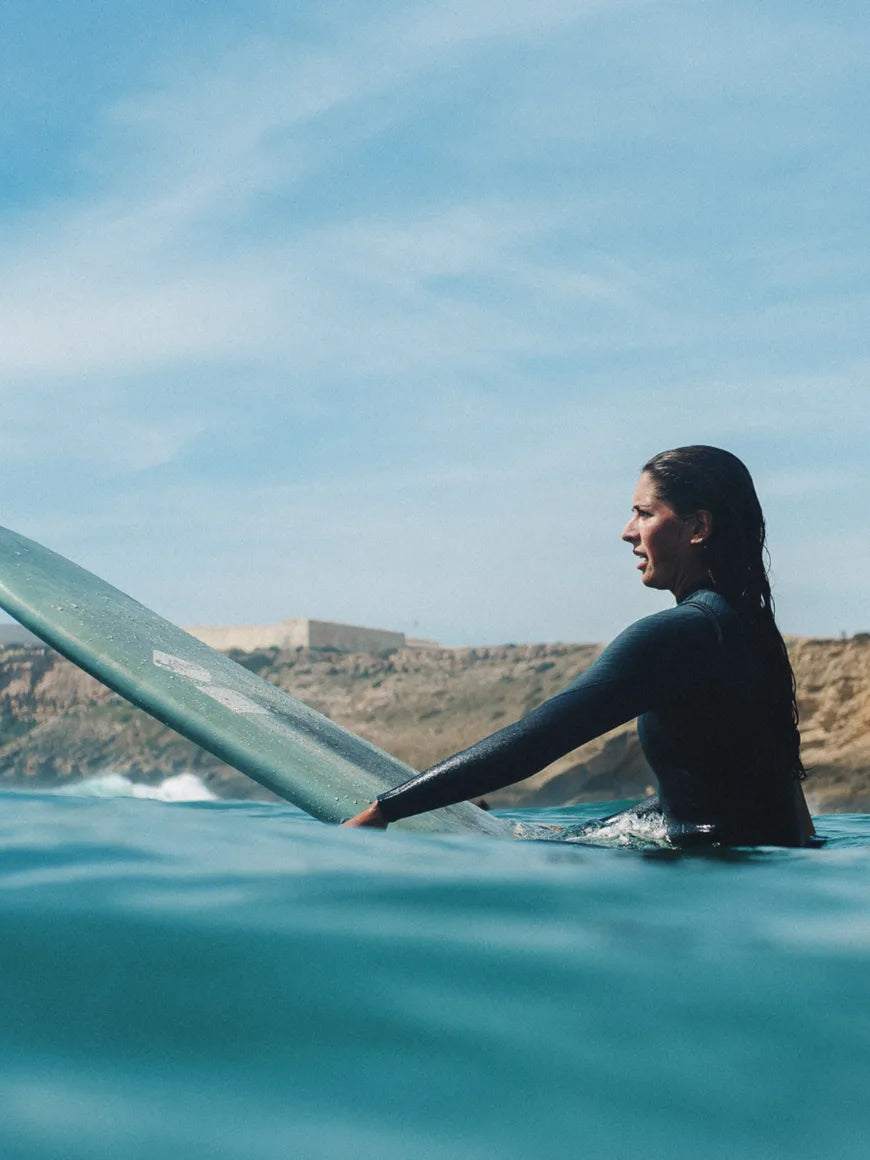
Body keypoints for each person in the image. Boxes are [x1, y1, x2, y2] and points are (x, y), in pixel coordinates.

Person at [344, 446, 815, 847]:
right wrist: (584, 832)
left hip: (706, 883)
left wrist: (385, 810)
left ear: (698, 528)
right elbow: (725, 794)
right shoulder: (747, 630)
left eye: (644, 513)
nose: (627, 531)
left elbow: (536, 742)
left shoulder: (682, 634)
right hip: (763, 884)